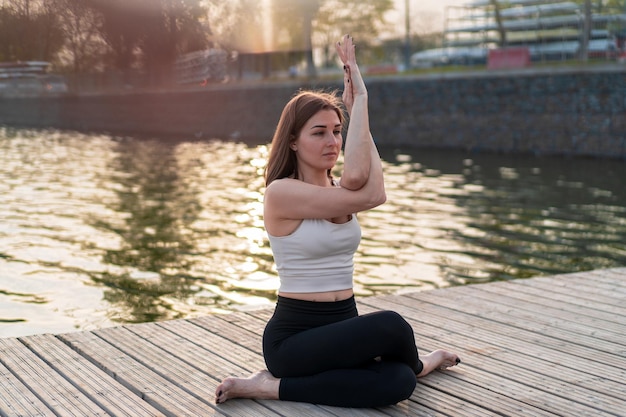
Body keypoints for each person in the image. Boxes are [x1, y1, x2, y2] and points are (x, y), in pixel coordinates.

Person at [215, 35, 460, 408]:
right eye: (319, 132)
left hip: (342, 324)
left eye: (337, 131)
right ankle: (266, 385)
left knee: (398, 382)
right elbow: (373, 192)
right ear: (293, 141)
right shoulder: (281, 193)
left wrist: (358, 107)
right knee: (392, 326)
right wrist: (360, 102)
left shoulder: (340, 188)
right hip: (293, 340)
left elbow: (365, 182)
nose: (333, 141)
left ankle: (412, 368)